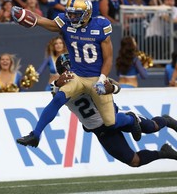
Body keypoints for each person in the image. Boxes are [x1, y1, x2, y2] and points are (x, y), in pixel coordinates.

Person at [11, 0, 140, 147]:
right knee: (58, 99)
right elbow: (42, 21)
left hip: (95, 78)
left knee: (111, 122)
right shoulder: (65, 23)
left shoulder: (101, 26)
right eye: (69, 13)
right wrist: (28, 17)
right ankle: (35, 135)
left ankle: (131, 118)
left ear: (87, 14)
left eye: (75, 14)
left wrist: (102, 79)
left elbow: (108, 59)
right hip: (77, 75)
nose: (71, 17)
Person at [28, 53, 177, 167]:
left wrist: (111, 88)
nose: (71, 73)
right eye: (67, 71)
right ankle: (164, 153)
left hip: (115, 117)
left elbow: (114, 85)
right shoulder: (58, 87)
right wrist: (56, 82)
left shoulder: (89, 76)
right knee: (134, 161)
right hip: (100, 130)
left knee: (152, 127)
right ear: (61, 73)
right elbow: (54, 100)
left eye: (72, 69)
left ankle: (163, 120)